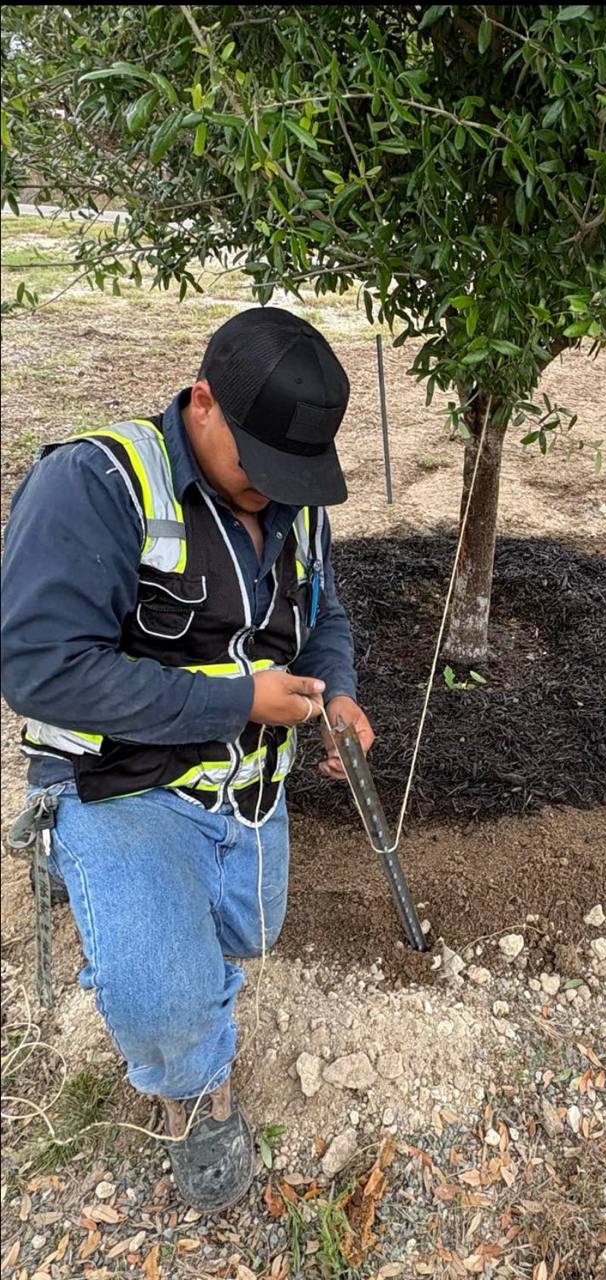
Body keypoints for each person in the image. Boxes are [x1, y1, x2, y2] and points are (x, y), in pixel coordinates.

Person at [0, 307, 374, 1212]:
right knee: (161, 997)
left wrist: (338, 690)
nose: (272, 495)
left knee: (250, 935)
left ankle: (136, 911)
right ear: (202, 401)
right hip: (118, 780)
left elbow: (321, 615)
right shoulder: (94, 484)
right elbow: (40, 668)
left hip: (245, 782)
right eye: (259, 468)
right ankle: (193, 1088)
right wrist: (239, 700)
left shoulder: (285, 499)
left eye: (292, 478)